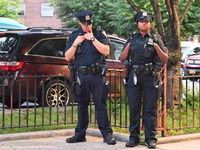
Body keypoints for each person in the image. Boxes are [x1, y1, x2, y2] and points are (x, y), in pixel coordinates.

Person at [64, 10, 116, 145]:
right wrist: (76, 43)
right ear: (79, 23)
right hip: (81, 75)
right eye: (85, 24)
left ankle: (107, 134)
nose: (87, 26)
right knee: (82, 105)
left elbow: (106, 51)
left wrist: (92, 39)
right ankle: (80, 134)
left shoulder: (99, 33)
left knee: (100, 105)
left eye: (89, 23)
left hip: (97, 74)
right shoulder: (74, 35)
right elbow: (67, 57)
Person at [119, 11, 168, 149]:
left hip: (150, 77)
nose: (144, 23)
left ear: (150, 23)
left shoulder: (155, 38)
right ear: (138, 23)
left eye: (146, 21)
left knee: (150, 109)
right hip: (134, 76)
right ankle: (133, 138)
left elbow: (165, 59)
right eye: (141, 21)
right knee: (134, 108)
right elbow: (122, 58)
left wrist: (156, 46)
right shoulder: (132, 38)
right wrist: (129, 44)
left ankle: (150, 138)